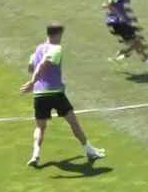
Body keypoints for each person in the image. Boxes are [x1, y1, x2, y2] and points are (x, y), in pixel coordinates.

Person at [21, 23, 105, 166]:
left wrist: (35, 82)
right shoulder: (56, 49)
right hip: (55, 93)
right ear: (58, 34)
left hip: (40, 94)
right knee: (73, 122)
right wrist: (32, 82)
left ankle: (35, 155)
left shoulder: (38, 49)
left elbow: (31, 67)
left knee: (40, 127)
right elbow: (42, 64)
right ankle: (89, 151)